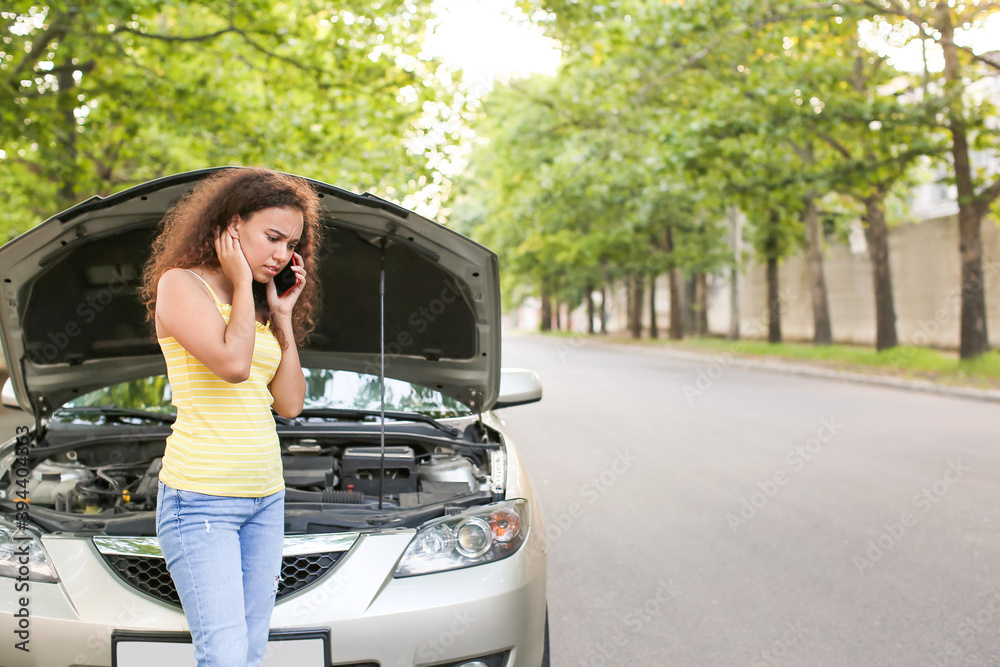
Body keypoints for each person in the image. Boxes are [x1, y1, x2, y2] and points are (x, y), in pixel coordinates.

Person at [139, 167, 323, 667]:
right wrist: (242, 281)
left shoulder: (259, 311)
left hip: (266, 497)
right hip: (201, 501)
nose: (283, 255)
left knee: (250, 652)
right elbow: (233, 366)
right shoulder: (181, 285)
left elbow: (289, 404)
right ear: (231, 225)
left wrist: (282, 317)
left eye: (292, 244)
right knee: (223, 656)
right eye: (272, 237)